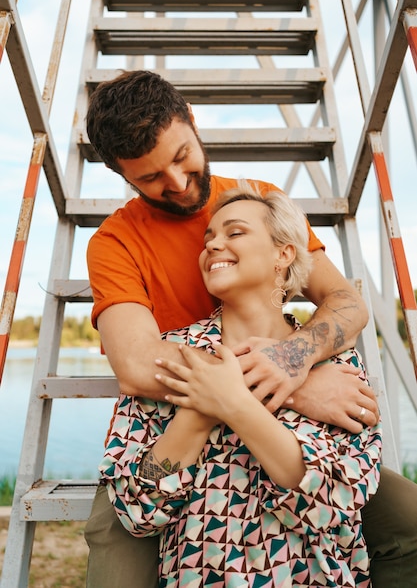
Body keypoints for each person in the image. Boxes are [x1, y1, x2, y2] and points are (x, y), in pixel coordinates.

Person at [85, 69, 417, 587]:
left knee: (407, 518)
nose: (176, 183)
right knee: (116, 544)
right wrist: (289, 387)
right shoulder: (115, 242)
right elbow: (134, 364)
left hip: (272, 441)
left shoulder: (256, 200)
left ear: (192, 122)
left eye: (180, 156)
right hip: (173, 424)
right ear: (124, 177)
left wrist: (294, 358)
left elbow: (345, 302)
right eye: (149, 178)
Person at [99, 183, 382, 587]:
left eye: (234, 233)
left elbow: (331, 503)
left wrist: (233, 402)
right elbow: (137, 508)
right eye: (208, 237)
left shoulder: (334, 359)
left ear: (283, 254)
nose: (213, 245)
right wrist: (199, 411)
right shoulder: (175, 356)